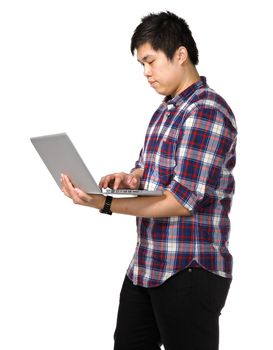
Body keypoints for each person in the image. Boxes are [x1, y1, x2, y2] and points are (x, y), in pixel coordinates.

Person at [61, 11, 237, 350]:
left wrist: (103, 202)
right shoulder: (166, 109)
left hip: (188, 269)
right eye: (142, 64)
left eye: (151, 61)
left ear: (180, 55)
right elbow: (149, 170)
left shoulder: (206, 111)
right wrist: (129, 179)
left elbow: (181, 202)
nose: (146, 73)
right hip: (148, 264)